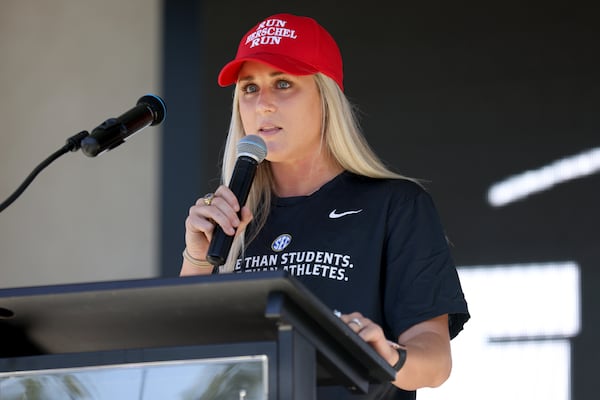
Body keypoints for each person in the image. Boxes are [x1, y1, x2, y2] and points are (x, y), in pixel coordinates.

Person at [180, 12, 469, 399]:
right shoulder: (228, 217)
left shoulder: (396, 205)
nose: (263, 104)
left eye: (282, 84)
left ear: (326, 96)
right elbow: (186, 359)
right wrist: (197, 259)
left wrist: (387, 356)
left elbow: (435, 361)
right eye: (249, 88)